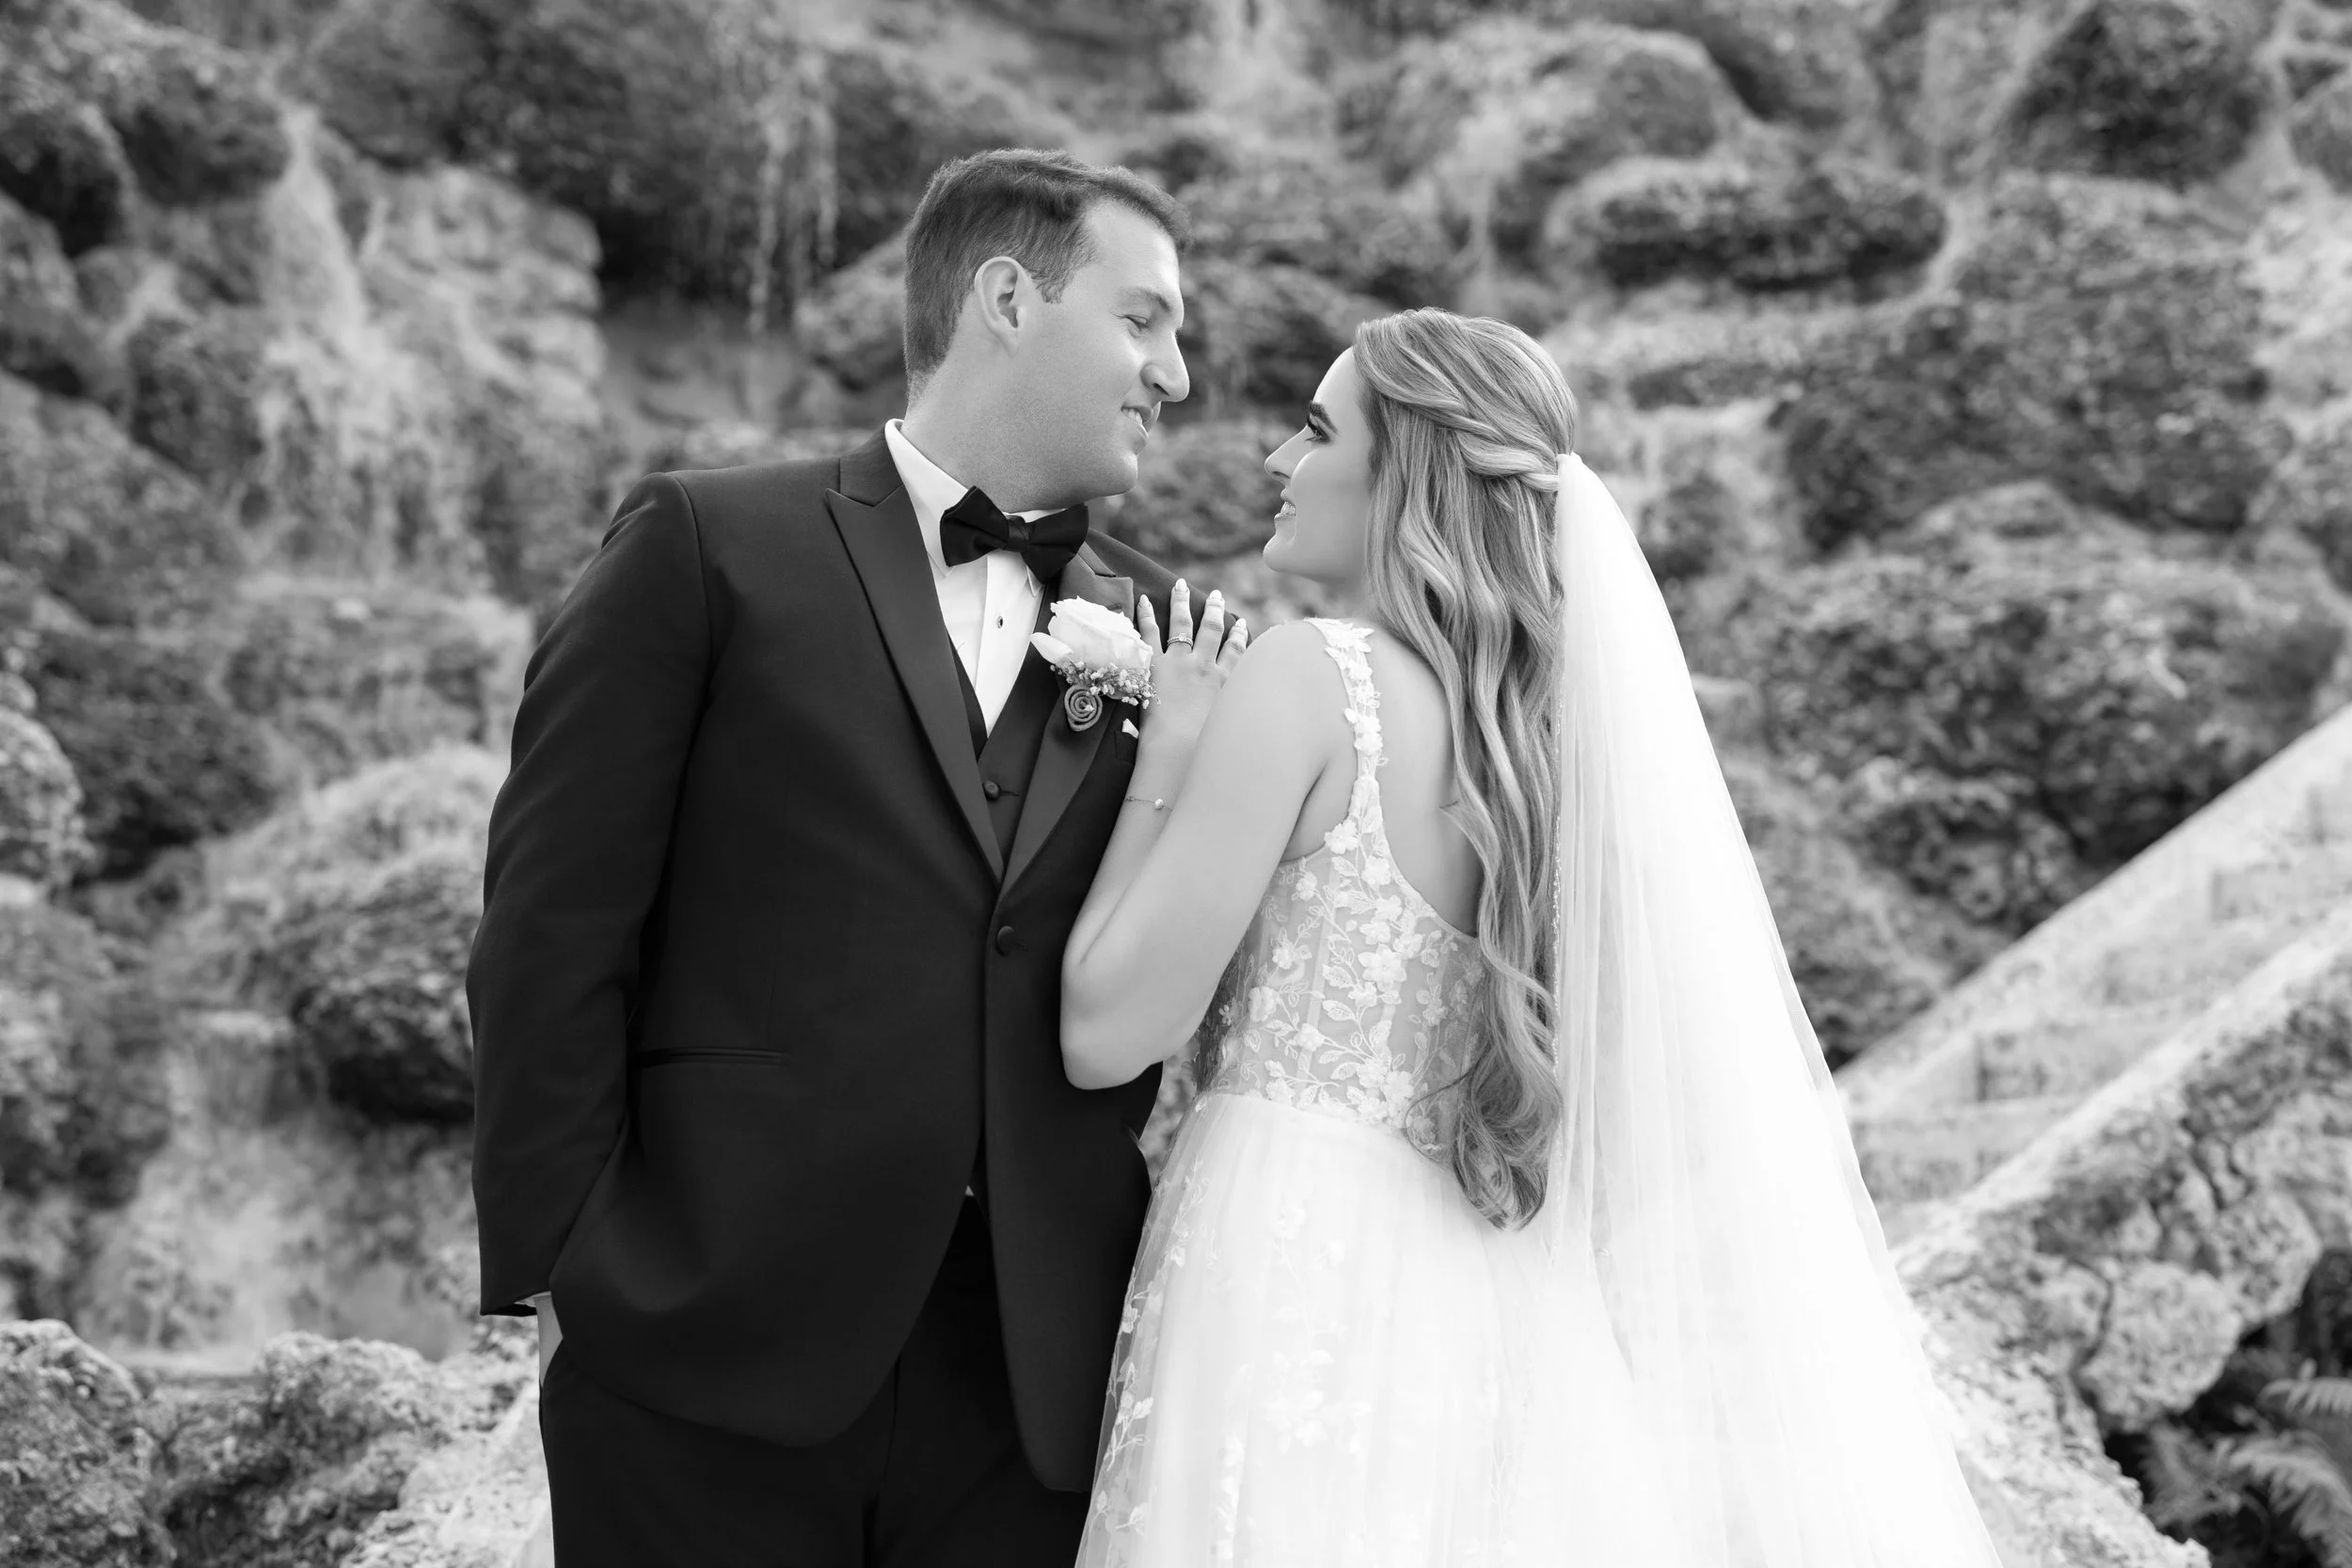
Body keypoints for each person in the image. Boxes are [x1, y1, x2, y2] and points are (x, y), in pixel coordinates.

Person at [1057, 309, 2012, 1564]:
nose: (1280, 462)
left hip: (1287, 1265)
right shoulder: (1555, 764)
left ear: (1407, 472)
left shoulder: (1309, 678)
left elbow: (1103, 1031)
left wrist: (1168, 753)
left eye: (1317, 432)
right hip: (1479, 1299)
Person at [467, 148, 1212, 1567]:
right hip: (705, 1347)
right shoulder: (707, 541)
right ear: (1008, 299)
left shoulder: (1168, 637)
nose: (1174, 374)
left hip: (1030, 1391)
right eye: (1143, 320)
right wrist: (565, 1272)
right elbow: (555, 925)